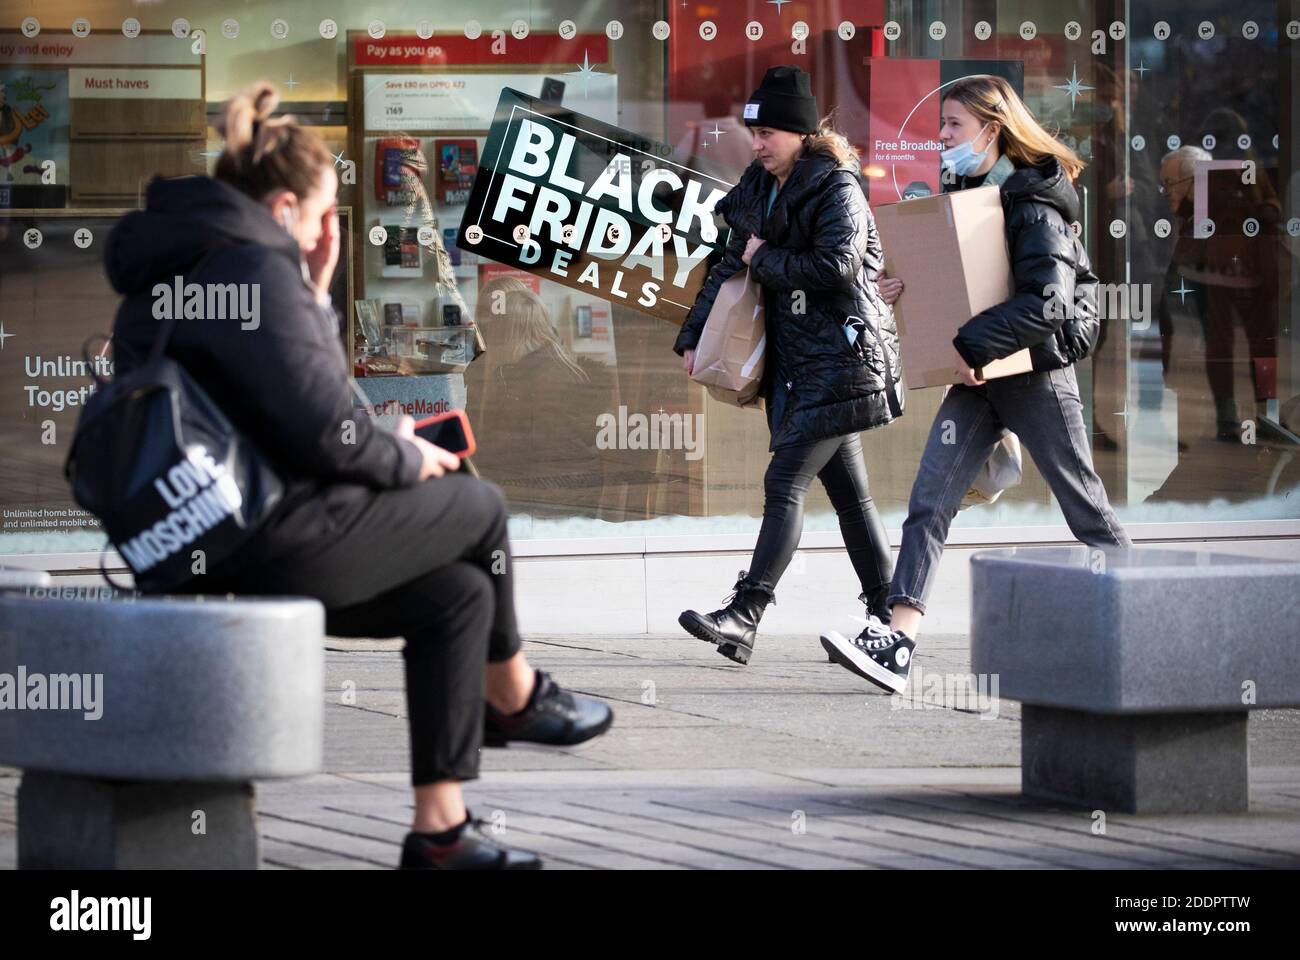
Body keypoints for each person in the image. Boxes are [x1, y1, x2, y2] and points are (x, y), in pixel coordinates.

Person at [104, 83, 612, 870]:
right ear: (280, 208)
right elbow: (324, 433)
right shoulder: (252, 274)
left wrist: (313, 299)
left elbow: (280, 411)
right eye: (320, 210)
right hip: (268, 538)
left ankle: (441, 834)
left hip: (214, 539)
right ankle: (514, 697)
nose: (328, 226)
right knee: (477, 504)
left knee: (459, 596)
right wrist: (404, 454)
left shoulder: (186, 269)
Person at [822, 74, 1132, 693]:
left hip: (1034, 374)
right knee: (929, 501)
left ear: (992, 129)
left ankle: (1150, 622)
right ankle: (898, 641)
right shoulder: (971, 192)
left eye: (953, 126)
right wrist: (905, 288)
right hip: (977, 375)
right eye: (941, 125)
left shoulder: (1036, 202)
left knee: (1085, 507)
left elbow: (1046, 302)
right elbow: (971, 284)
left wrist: (967, 342)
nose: (941, 137)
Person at [673, 65, 905, 666]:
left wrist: (767, 257)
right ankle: (890, 622)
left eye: (770, 131)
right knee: (852, 499)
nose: (758, 141)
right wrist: (694, 335)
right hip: (798, 364)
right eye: (754, 131)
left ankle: (745, 616)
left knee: (785, 482)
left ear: (801, 134)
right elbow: (729, 265)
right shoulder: (757, 185)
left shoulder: (837, 187)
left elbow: (838, 267)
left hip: (842, 356)